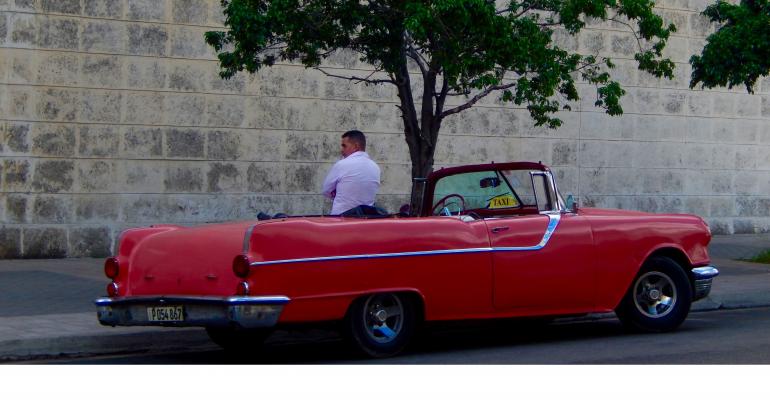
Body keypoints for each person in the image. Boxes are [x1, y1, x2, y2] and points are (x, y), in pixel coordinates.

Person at [321, 130, 381, 215]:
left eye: (344, 146)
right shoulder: (376, 167)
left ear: (356, 146)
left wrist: (340, 194)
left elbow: (326, 190)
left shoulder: (342, 164)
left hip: (342, 220)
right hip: (365, 220)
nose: (341, 150)